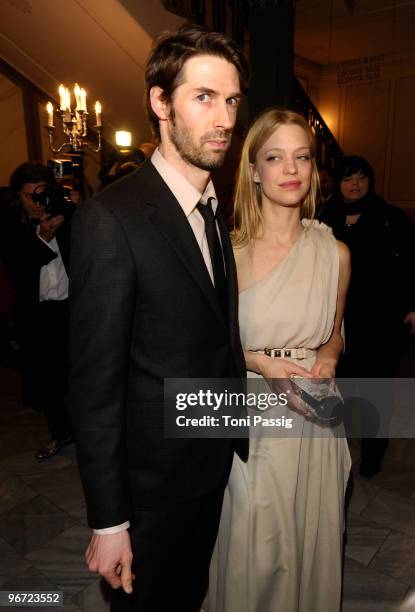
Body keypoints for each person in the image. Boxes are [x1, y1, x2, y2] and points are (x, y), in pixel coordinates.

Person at [68, 24, 249, 612]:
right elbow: (94, 386)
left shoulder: (214, 209)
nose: (223, 118)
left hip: (207, 464)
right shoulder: (110, 219)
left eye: (231, 100)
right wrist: (110, 520)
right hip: (149, 493)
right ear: (160, 101)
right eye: (203, 97)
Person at [207, 109, 352, 612]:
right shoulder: (226, 252)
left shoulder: (334, 253)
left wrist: (328, 360)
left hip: (315, 414)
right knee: (255, 543)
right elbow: (205, 344)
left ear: (313, 168)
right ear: (253, 170)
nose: (290, 169)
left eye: (302, 157)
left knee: (311, 538)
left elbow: (333, 333)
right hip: (252, 416)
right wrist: (261, 363)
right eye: (274, 157)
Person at [322, 155, 415, 477]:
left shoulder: (390, 217)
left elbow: (411, 265)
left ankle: (374, 454)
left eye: (362, 176)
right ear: (339, 183)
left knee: (376, 391)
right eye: (349, 177)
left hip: (380, 323)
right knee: (341, 390)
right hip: (337, 325)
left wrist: (412, 306)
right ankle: (342, 451)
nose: (356, 183)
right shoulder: (324, 218)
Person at [0, 162, 73, 459]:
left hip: (72, 309)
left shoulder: (68, 214)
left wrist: (80, 210)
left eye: (42, 195)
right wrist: (42, 237)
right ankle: (60, 433)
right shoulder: (9, 223)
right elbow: (18, 272)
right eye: (30, 196)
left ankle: (88, 430)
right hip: (37, 315)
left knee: (79, 376)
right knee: (48, 382)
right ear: (19, 195)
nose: (37, 202)